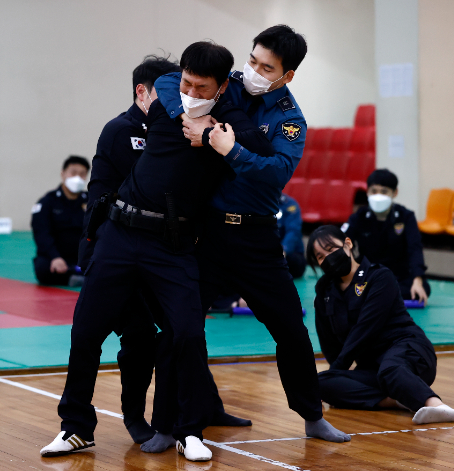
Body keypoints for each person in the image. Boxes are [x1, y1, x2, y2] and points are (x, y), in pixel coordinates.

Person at [40, 41, 274, 462]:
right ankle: (76, 428)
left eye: (202, 88)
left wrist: (213, 138)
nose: (190, 92)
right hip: (120, 232)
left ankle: (189, 431)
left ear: (221, 89)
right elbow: (166, 82)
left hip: (171, 243)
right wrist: (89, 244)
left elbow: (260, 146)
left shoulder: (228, 121)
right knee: (86, 332)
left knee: (186, 333)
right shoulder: (167, 97)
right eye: (187, 82)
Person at [154, 25, 350, 443]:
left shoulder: (289, 119)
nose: (255, 71)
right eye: (253, 60)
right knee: (179, 329)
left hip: (257, 238)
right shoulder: (231, 87)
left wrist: (228, 148)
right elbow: (170, 81)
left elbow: (276, 172)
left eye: (268, 67)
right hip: (206, 233)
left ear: (287, 76)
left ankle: (312, 415)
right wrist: (188, 115)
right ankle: (169, 424)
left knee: (291, 330)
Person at [77, 55, 181, 445]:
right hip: (112, 248)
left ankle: (157, 414)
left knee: (162, 336)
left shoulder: (169, 130)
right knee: (114, 334)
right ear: (143, 92)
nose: (175, 99)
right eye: (167, 91)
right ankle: (84, 424)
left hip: (153, 253)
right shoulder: (122, 131)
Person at [306, 225, 454, 424]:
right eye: (320, 256)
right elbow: (329, 342)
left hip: (409, 351)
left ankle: (436, 405)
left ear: (348, 244)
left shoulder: (379, 277)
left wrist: (338, 369)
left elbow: (365, 329)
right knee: (320, 382)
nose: (327, 257)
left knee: (391, 369)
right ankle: (398, 400)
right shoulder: (324, 291)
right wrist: (336, 376)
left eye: (331, 249)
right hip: (373, 369)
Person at [342, 169, 430, 304]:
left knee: (422, 289)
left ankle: (372, 295)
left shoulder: (406, 216)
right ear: (367, 192)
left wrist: (417, 281)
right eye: (374, 191)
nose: (378, 196)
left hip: (398, 276)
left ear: (394, 193)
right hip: (367, 274)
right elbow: (343, 245)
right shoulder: (359, 217)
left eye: (384, 192)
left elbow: (415, 249)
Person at [32, 156, 90, 286]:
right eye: (73, 173)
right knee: (42, 268)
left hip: (83, 256)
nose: (77, 177)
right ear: (63, 174)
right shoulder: (47, 202)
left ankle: (81, 274)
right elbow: (41, 233)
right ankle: (74, 278)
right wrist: (55, 257)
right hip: (58, 256)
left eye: (82, 174)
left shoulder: (91, 201)